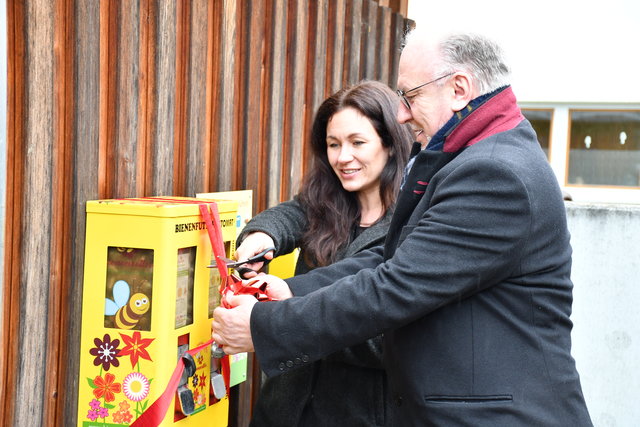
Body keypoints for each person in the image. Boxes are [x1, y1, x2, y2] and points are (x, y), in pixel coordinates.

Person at [213, 29, 593, 426]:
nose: (402, 114)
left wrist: (265, 327)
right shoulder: (476, 158)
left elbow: (393, 286)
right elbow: (391, 258)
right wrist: (293, 289)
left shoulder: (494, 172)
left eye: (410, 96)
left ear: (459, 89)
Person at [235, 80, 413, 426]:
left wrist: (283, 326)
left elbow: (387, 343)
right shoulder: (326, 203)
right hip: (284, 410)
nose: (342, 157)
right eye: (333, 144)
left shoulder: (411, 225)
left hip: (359, 413)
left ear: (390, 143)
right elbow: (287, 216)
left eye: (357, 142)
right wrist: (260, 236)